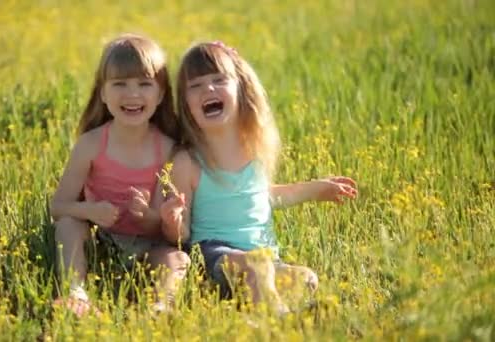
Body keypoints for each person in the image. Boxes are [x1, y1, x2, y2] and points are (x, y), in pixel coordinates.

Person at [160, 41, 357, 314]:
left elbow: (264, 196)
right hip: (214, 256)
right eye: (196, 86)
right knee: (257, 266)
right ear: (186, 105)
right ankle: (279, 321)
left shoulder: (252, 149)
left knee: (306, 279)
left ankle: (252, 304)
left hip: (261, 258)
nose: (209, 89)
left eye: (219, 80)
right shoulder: (189, 161)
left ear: (241, 90)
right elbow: (181, 236)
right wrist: (172, 222)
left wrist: (316, 189)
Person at [50, 34, 189, 316]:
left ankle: (162, 306)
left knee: (177, 258)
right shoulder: (90, 145)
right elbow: (58, 206)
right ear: (102, 93)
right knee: (68, 225)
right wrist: (91, 210)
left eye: (144, 84)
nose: (132, 94)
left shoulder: (167, 150)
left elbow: (167, 234)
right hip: (101, 238)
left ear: (161, 94)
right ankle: (76, 293)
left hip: (149, 244)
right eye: (119, 84)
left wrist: (152, 217)